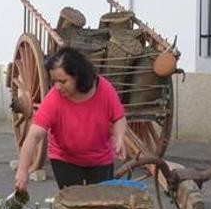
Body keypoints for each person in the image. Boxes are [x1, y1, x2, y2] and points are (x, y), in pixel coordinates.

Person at [13, 47, 127, 191]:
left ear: (78, 76)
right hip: (65, 160)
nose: (57, 87)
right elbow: (34, 136)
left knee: (100, 206)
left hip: (101, 159)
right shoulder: (54, 99)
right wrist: (22, 171)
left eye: (63, 81)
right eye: (54, 81)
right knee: (73, 205)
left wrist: (120, 137)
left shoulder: (104, 89)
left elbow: (119, 118)